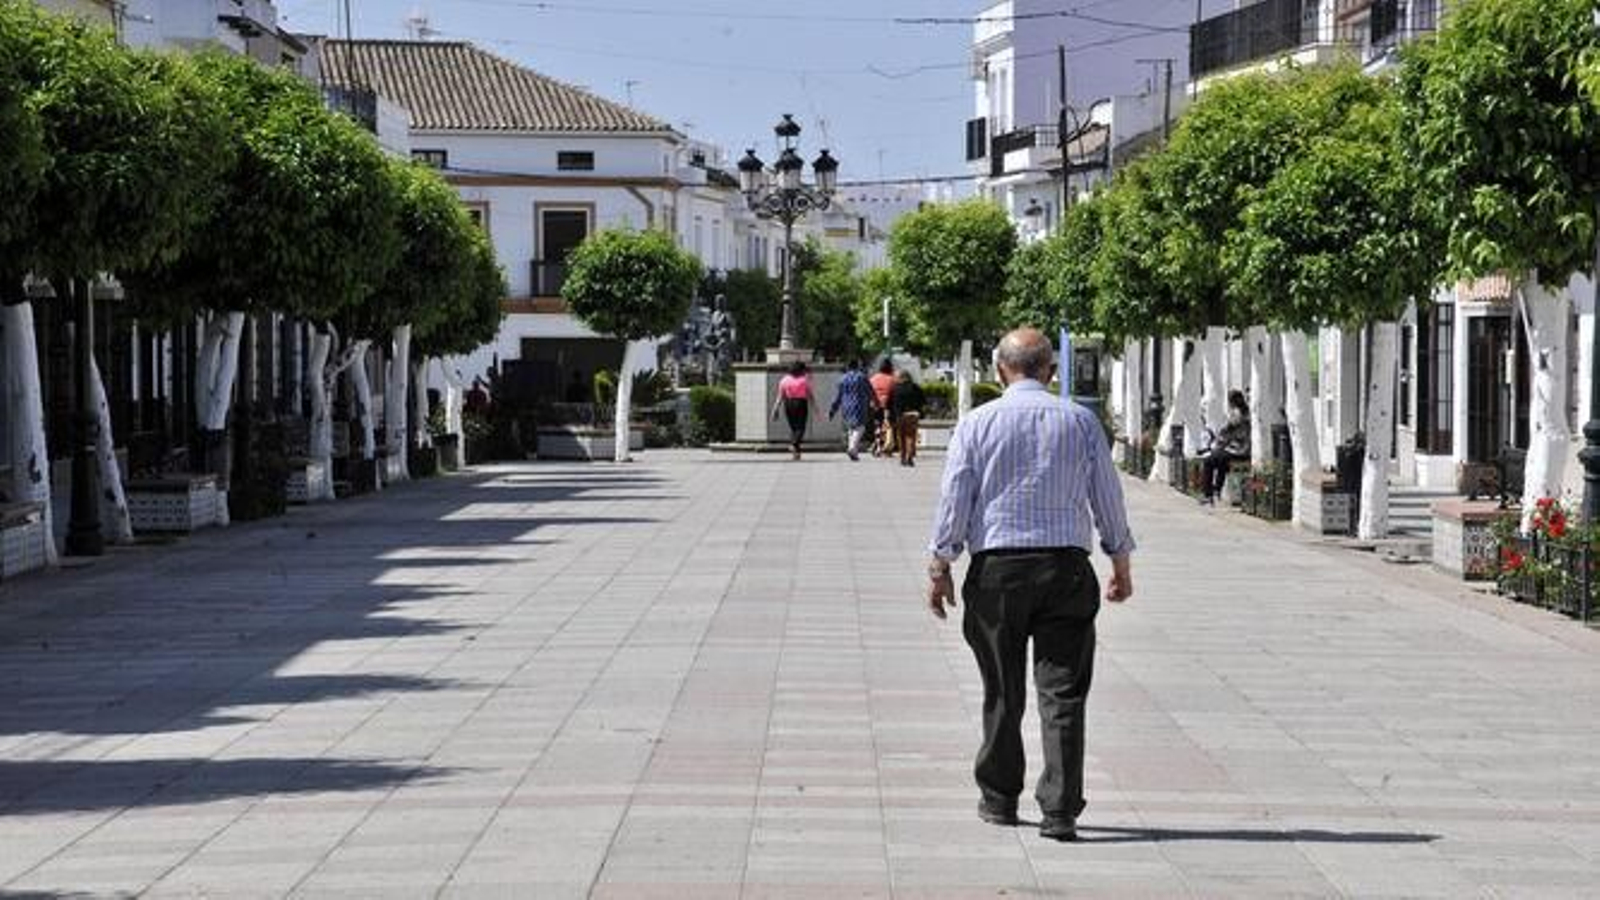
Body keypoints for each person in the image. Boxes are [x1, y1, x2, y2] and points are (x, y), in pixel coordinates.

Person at [927, 328, 1136, 843]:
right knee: (1062, 693)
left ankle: (999, 799)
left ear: (1000, 371)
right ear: (1051, 370)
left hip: (997, 571)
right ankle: (1060, 809)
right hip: (1065, 569)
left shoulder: (976, 423)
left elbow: (956, 497)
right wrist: (1120, 562)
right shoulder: (1082, 422)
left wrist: (941, 564)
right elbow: (1107, 495)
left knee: (1002, 688)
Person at [1201, 390, 1251, 506]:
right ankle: (1217, 491)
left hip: (1238, 451)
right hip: (1243, 450)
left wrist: (1217, 444)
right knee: (1221, 461)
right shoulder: (1247, 412)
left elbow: (1226, 433)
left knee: (1209, 461)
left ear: (1231, 402)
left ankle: (1208, 494)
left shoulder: (1236, 413)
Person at [829, 359, 878, 461]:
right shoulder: (862, 377)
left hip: (846, 406)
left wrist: (833, 409)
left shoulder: (842, 379)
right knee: (860, 427)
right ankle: (852, 448)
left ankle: (853, 451)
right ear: (857, 366)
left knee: (851, 428)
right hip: (860, 405)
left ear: (848, 367)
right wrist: (876, 402)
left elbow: (838, 396)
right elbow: (870, 391)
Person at [770, 360, 818, 461]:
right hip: (801, 404)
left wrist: (775, 409)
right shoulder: (804, 380)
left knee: (794, 427)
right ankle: (794, 444)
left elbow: (780, 396)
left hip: (788, 404)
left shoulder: (784, 380)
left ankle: (796, 453)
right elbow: (810, 395)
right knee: (800, 428)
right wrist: (815, 408)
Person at [889, 370, 926, 467]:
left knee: (901, 437)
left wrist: (890, 417)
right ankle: (909, 457)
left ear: (900, 378)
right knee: (911, 436)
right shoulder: (916, 388)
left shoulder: (895, 388)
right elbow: (923, 401)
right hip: (913, 415)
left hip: (900, 415)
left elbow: (889, 404)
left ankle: (902, 458)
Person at [870, 359, 897, 456]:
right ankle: (884, 446)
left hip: (875, 405)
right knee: (887, 426)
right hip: (888, 406)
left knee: (877, 425)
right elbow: (895, 393)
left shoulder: (873, 378)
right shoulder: (892, 379)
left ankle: (877, 445)